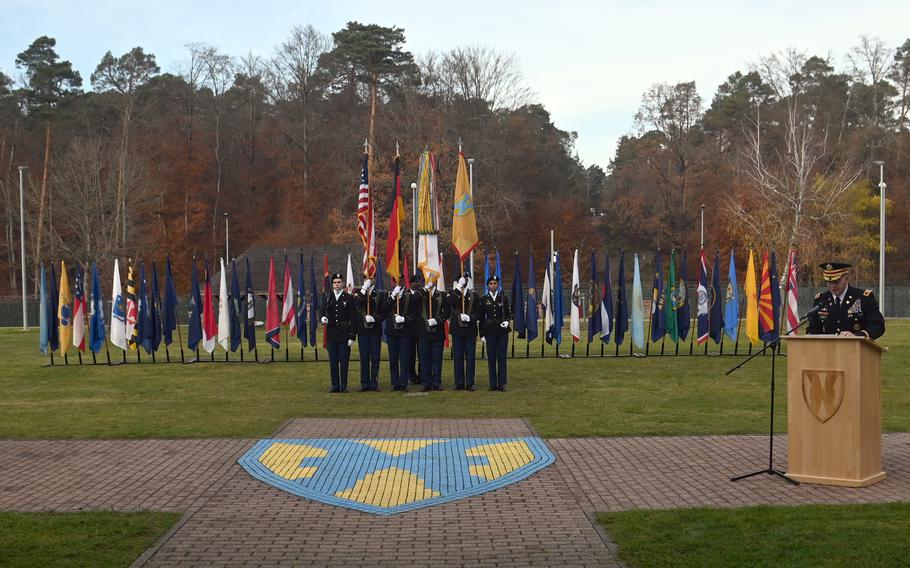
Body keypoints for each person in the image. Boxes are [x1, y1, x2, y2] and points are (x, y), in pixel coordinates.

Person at [807, 262, 885, 339]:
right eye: (829, 282)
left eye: (836, 281)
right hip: (827, 349)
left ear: (846, 279)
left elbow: (877, 325)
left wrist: (858, 336)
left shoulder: (863, 297)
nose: (833, 286)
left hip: (856, 348)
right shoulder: (821, 299)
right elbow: (813, 328)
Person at [320, 273, 356, 392]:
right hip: (331, 333)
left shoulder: (349, 298)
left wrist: (352, 336)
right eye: (335, 282)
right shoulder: (327, 297)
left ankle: (343, 386)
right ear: (332, 284)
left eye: (339, 282)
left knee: (344, 361)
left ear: (343, 284)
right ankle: (335, 386)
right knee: (333, 361)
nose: (337, 284)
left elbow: (353, 318)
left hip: (344, 334)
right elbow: (321, 312)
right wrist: (322, 319)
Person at [416, 275, 450, 391]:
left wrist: (438, 320)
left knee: (437, 358)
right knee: (424, 358)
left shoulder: (441, 295)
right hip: (423, 332)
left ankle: (436, 382)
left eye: (431, 278)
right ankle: (426, 383)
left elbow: (447, 312)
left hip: (437, 332)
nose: (430, 280)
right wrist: (425, 289)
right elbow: (414, 301)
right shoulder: (421, 294)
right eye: (427, 278)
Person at [478, 274, 512, 391]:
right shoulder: (484, 299)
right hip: (490, 331)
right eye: (491, 283)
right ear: (488, 286)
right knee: (491, 358)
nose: (493, 285)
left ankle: (502, 383)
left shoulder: (503, 298)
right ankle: (493, 384)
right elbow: (481, 318)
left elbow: (508, 314)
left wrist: (507, 321)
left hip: (502, 331)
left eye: (495, 283)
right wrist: (481, 334)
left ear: (498, 285)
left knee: (502, 358)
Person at [383, 277, 416, 391]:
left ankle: (404, 383)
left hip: (405, 332)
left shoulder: (409, 297)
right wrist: (393, 296)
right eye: (396, 280)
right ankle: (395, 383)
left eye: (400, 280)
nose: (398, 283)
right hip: (392, 332)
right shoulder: (390, 296)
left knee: (404, 358)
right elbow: (384, 309)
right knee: (393, 359)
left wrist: (404, 319)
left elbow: (413, 315)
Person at [448, 270, 479, 391]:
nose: (464, 281)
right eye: (462, 279)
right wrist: (458, 288)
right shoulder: (454, 293)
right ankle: (459, 382)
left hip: (470, 330)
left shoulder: (473, 295)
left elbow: (478, 313)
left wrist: (470, 318)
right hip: (457, 330)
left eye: (466, 279)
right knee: (458, 356)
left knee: (470, 357)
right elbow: (449, 302)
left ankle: (470, 382)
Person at [352, 277, 382, 391]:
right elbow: (357, 303)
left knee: (375, 358)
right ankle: (364, 383)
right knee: (364, 358)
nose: (369, 279)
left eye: (371, 277)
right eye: (366, 278)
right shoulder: (359, 293)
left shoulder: (379, 294)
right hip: (363, 331)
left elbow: (384, 313)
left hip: (375, 331)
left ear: (374, 279)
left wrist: (374, 318)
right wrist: (364, 288)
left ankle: (374, 383)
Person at [406, 274, 422, 386]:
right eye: (414, 282)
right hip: (409, 329)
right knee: (410, 355)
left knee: (422, 354)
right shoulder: (405, 293)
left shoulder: (423, 294)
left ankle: (422, 376)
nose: (417, 283)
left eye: (418, 282)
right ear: (410, 283)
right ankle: (411, 376)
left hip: (421, 328)